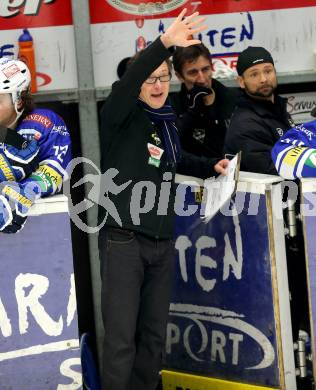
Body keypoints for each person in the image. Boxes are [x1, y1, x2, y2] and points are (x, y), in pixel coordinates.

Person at [98, 9, 229, 390]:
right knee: (122, 342)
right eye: (149, 80)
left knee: (154, 341)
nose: (156, 86)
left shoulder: (166, 118)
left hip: (160, 243)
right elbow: (130, 82)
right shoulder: (120, 116)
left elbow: (177, 161)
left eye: (162, 78)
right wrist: (165, 44)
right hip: (123, 240)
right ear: (135, 85)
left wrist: (212, 166)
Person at [0, 57, 71, 232]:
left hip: (43, 234)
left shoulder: (44, 123)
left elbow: (54, 172)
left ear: (19, 101)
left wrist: (24, 192)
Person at [224, 46, 295, 174]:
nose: (263, 79)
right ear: (241, 81)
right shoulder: (245, 124)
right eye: (254, 74)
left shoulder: (278, 108)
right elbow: (270, 168)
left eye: (268, 71)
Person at [170, 43, 239, 158]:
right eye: (193, 72)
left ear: (212, 68)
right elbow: (171, 145)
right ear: (180, 76)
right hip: (191, 174)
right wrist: (192, 112)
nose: (202, 79)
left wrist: (211, 109)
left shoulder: (233, 98)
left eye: (205, 69)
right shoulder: (173, 105)